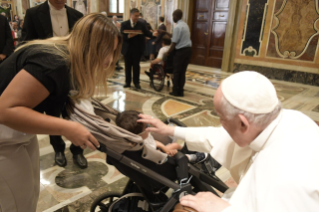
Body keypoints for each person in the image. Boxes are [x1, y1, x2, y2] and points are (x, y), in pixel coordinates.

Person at [138, 71, 319, 212]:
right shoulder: (283, 119)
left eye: (221, 117)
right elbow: (219, 136)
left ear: (243, 123)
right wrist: (170, 130)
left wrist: (223, 209)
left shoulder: (289, 174)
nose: (220, 124)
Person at [0, 14, 122, 212]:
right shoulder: (53, 62)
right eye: (106, 50)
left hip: (20, 136)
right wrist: (67, 127)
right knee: (15, 203)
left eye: (114, 51)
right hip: (3, 138)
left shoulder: (68, 60)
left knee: (29, 193)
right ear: (89, 45)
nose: (109, 59)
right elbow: (5, 110)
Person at [21, 0, 86, 168]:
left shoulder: (77, 16)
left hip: (73, 74)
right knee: (52, 113)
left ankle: (78, 150)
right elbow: (26, 43)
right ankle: (58, 149)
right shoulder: (33, 14)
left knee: (79, 113)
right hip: (48, 75)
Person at [116, 110, 208, 163]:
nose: (149, 128)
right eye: (147, 126)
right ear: (140, 134)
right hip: (160, 159)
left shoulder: (135, 142)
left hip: (157, 150)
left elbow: (154, 143)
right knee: (176, 149)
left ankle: (183, 149)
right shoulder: (144, 145)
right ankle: (189, 157)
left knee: (175, 145)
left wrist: (162, 147)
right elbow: (158, 155)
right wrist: (167, 151)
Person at [120, 8, 157, 89]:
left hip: (137, 50)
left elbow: (147, 33)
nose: (137, 17)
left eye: (138, 15)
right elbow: (121, 36)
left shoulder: (141, 24)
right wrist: (129, 36)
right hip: (127, 49)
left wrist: (153, 34)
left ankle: (136, 82)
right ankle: (127, 82)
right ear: (131, 15)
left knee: (136, 66)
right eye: (135, 16)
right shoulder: (124, 24)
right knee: (128, 66)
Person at [162, 9, 192, 97]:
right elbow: (176, 36)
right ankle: (181, 91)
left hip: (181, 52)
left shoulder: (177, 27)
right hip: (188, 50)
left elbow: (174, 42)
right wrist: (165, 32)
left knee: (176, 72)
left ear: (175, 16)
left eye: (173, 16)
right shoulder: (185, 25)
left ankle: (175, 91)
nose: (172, 18)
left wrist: (167, 52)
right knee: (182, 72)